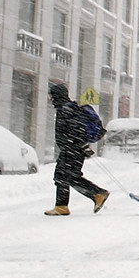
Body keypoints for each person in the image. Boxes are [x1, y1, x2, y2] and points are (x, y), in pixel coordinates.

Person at [44, 82, 108, 216]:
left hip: (71, 150)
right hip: (74, 150)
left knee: (64, 177)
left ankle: (96, 194)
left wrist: (71, 145)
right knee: (66, 177)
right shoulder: (70, 108)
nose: (51, 98)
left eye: (52, 95)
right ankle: (65, 205)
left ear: (57, 95)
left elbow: (75, 130)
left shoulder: (65, 110)